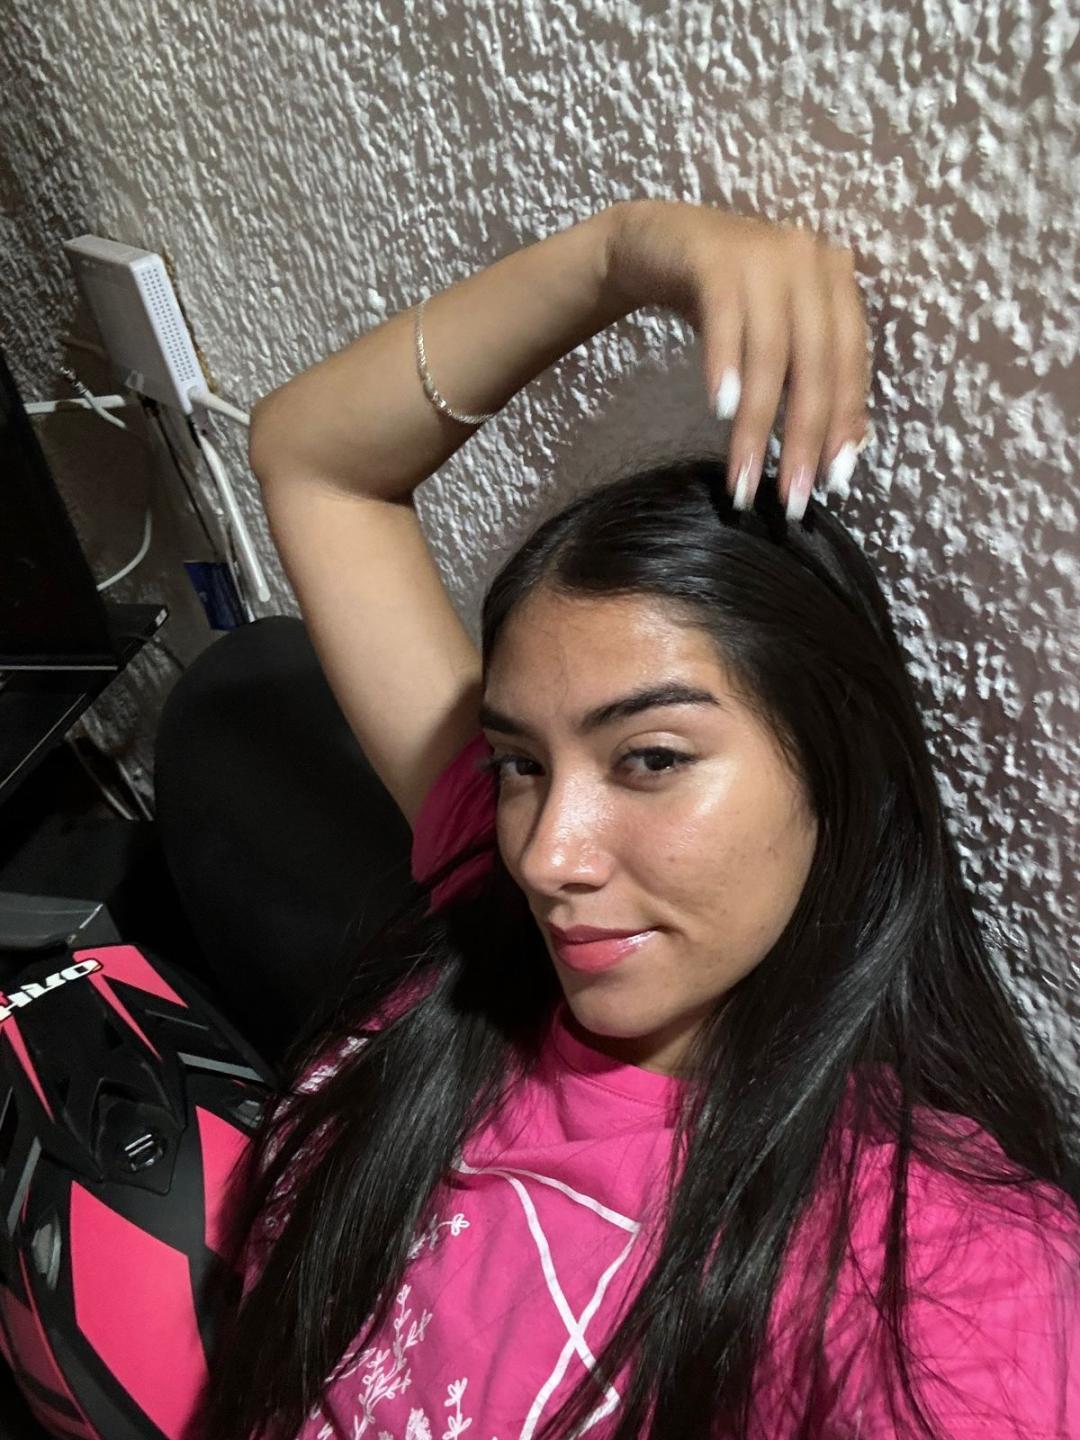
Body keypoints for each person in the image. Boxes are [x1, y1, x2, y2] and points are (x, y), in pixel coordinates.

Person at [198, 199, 1080, 1440]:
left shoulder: (943, 1279)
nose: (546, 857)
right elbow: (309, 458)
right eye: (519, 761)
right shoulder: (504, 914)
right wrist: (620, 256)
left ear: (839, 781)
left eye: (652, 759)